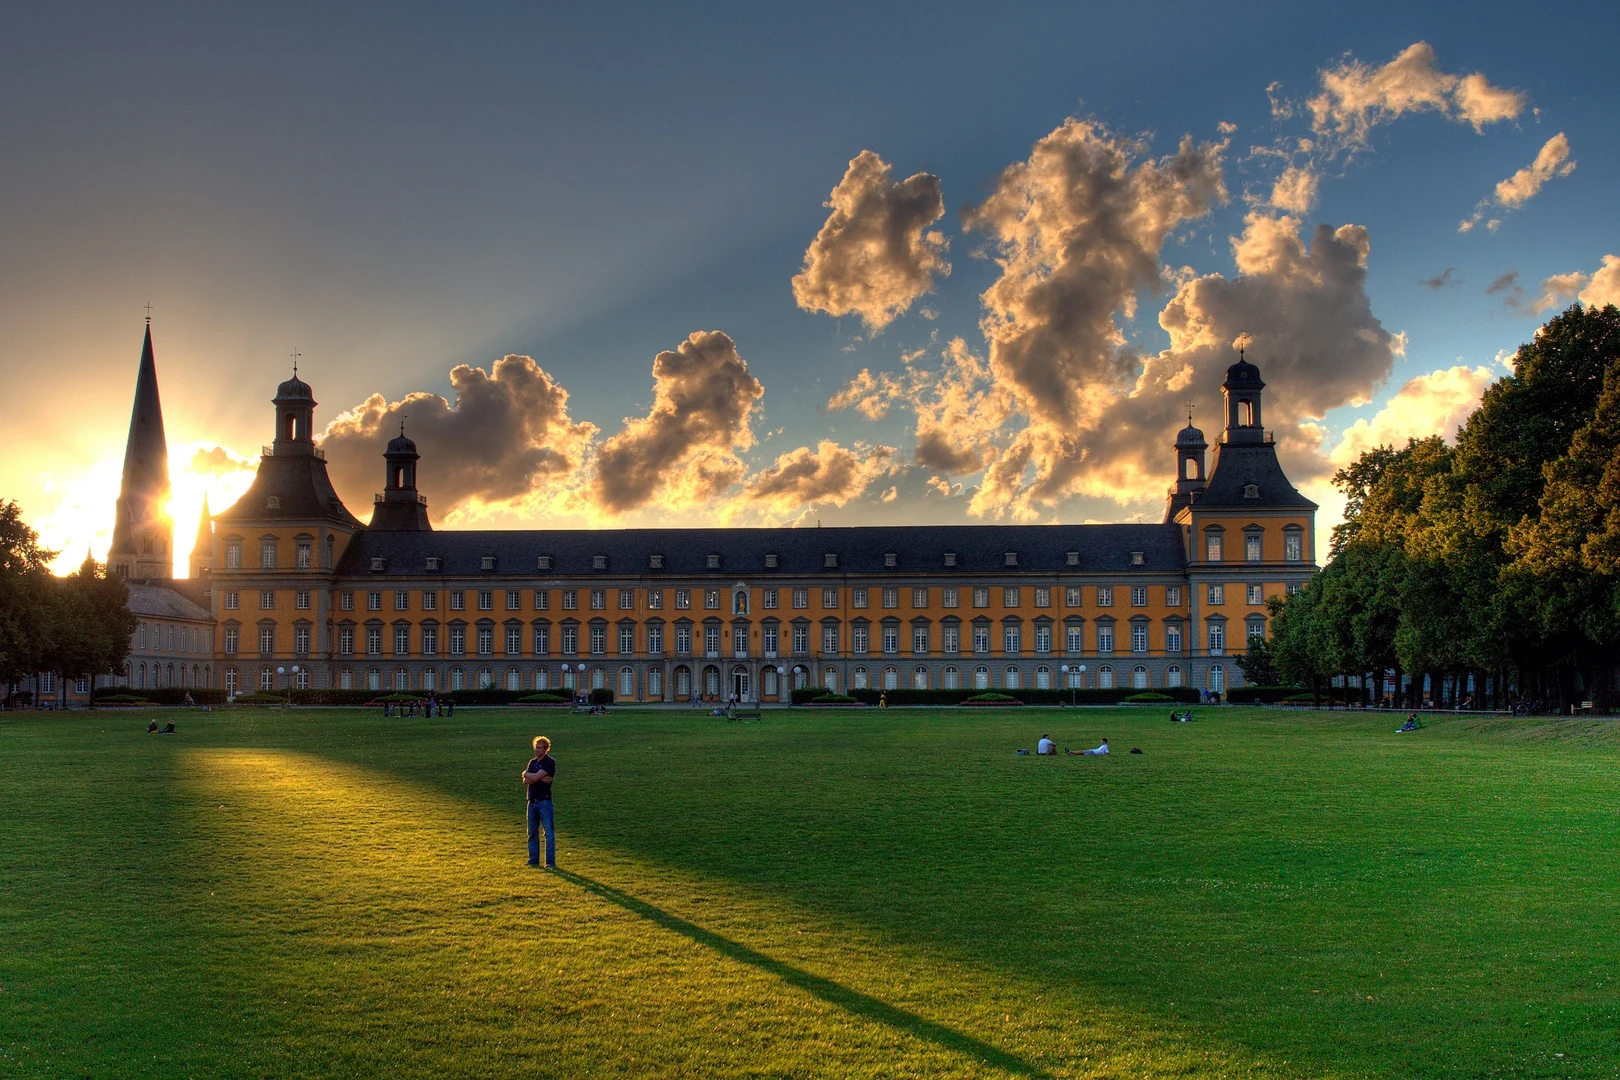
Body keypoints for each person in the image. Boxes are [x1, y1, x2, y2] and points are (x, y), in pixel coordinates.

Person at [522, 736, 557, 868]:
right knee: (531, 833)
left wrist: (529, 775)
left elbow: (530, 776)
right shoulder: (532, 762)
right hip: (531, 801)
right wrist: (538, 778)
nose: (536, 750)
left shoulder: (549, 762)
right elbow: (525, 780)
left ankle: (549, 862)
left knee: (549, 833)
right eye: (535, 747)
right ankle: (533, 860)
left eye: (539, 748)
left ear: (546, 749)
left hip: (544, 801)